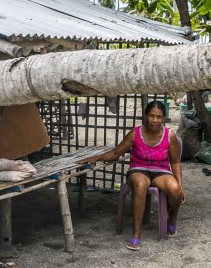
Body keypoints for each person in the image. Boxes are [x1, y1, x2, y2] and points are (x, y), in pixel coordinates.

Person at [79, 100, 185, 251]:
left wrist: (180, 186)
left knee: (175, 190)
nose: (155, 120)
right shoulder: (135, 133)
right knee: (141, 185)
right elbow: (116, 153)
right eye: (151, 116)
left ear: (164, 118)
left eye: (159, 117)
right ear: (145, 116)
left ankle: (172, 218)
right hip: (139, 169)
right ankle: (136, 234)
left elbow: (175, 162)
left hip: (161, 171)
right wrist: (96, 158)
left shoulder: (170, 136)